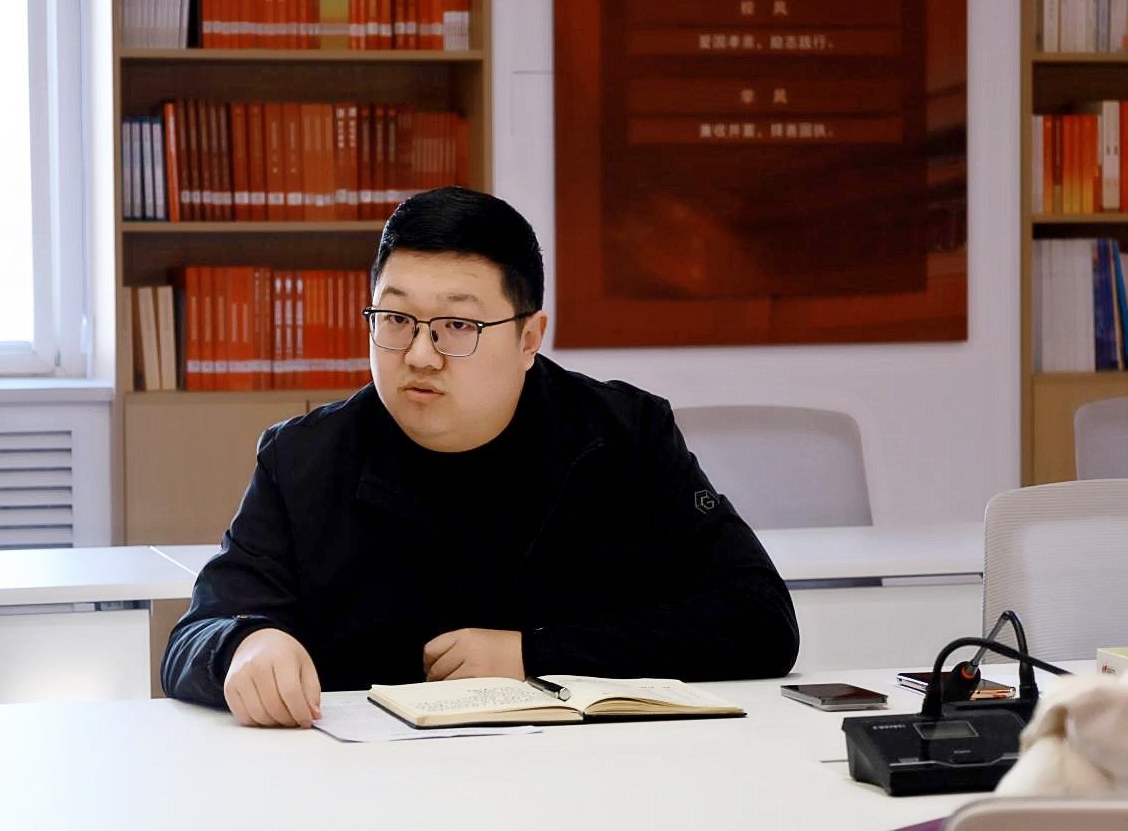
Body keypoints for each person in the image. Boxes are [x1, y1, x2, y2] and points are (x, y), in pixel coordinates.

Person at [161, 186, 799, 728]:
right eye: (396, 319)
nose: (420, 355)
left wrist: (536, 655)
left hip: (589, 782)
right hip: (376, 789)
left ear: (529, 337)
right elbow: (196, 633)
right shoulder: (304, 459)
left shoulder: (625, 436)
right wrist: (245, 644)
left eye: (457, 326)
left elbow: (759, 619)